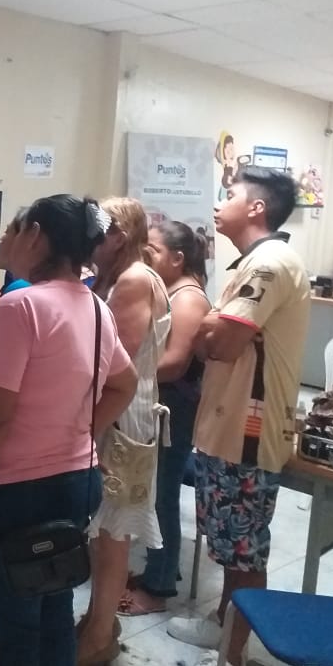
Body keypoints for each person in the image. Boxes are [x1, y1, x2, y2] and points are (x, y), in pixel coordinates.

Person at [0, 195, 138, 666]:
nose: (5, 239)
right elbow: (124, 384)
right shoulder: (95, 306)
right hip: (76, 481)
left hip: (17, 489)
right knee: (54, 606)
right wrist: (80, 432)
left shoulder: (20, 306)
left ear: (35, 235)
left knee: (15, 624)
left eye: (14, 229)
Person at [166, 167, 309, 666]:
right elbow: (214, 333)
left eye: (229, 194)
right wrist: (210, 325)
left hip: (247, 431)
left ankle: (234, 652)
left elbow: (220, 344)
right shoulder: (250, 262)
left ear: (256, 208)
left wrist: (207, 326)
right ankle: (224, 622)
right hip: (225, 426)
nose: (217, 203)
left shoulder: (269, 263)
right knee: (230, 545)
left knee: (244, 551)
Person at [80, 197, 171, 666]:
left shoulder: (134, 280)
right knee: (101, 528)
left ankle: (98, 636)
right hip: (113, 409)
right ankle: (97, 621)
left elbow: (116, 359)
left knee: (114, 530)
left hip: (123, 413)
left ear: (117, 236)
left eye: (96, 230)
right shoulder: (114, 277)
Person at [120, 221, 210, 615]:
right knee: (153, 492)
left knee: (162, 497)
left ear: (178, 258)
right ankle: (159, 569)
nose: (144, 254)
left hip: (174, 411)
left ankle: (158, 587)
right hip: (159, 405)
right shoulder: (166, 289)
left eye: (152, 249)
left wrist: (122, 374)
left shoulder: (188, 298)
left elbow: (174, 364)